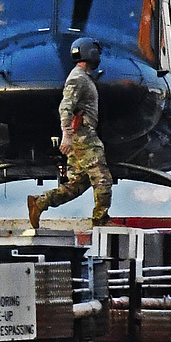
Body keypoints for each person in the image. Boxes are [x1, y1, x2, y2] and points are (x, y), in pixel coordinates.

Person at [27, 37, 113, 229]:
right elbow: (65, 108)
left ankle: (40, 202)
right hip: (85, 138)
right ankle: (101, 219)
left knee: (77, 185)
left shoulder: (83, 78)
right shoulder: (78, 79)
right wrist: (67, 135)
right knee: (103, 179)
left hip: (80, 137)